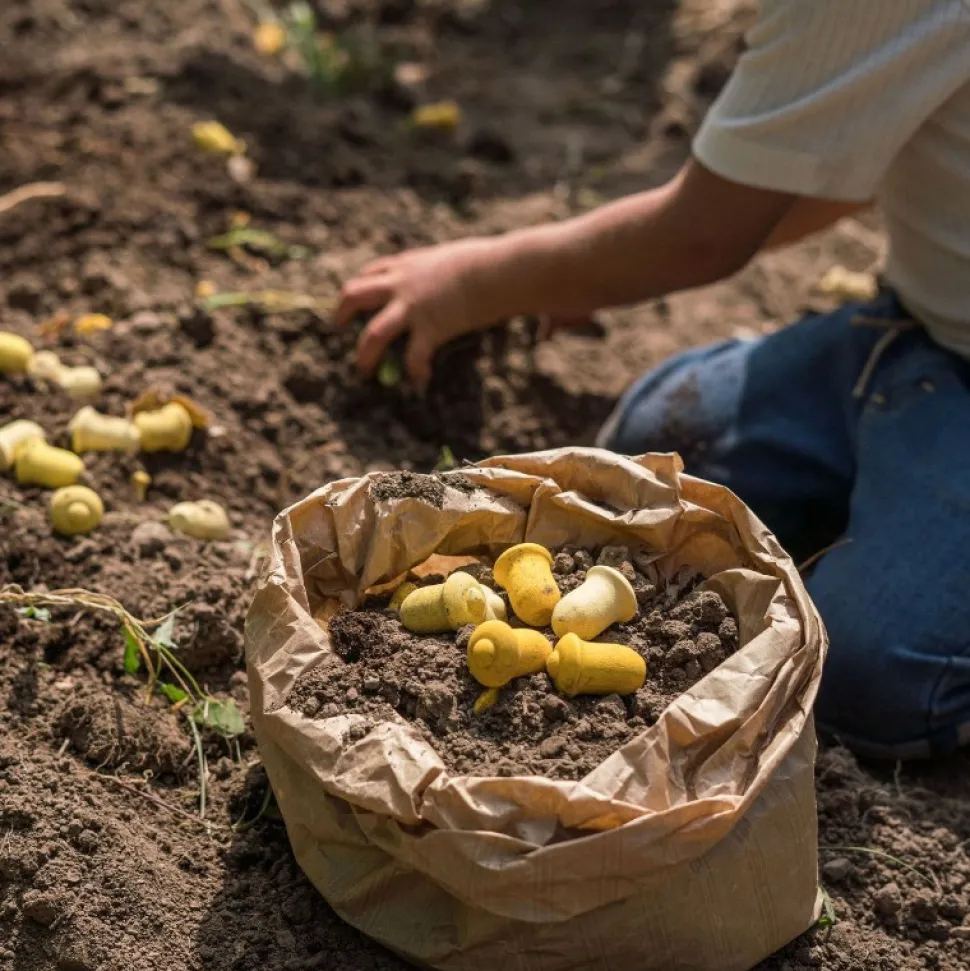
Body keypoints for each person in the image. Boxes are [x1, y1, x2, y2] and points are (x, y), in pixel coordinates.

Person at [335, 0, 970, 760]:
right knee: (656, 450)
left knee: (871, 677)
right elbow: (819, 162)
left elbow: (702, 232)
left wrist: (478, 283)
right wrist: (584, 274)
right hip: (927, 323)